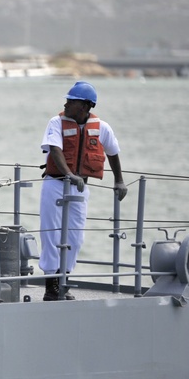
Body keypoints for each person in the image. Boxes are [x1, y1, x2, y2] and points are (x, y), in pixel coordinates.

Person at [38, 81, 127, 301]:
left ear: (86, 106)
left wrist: (120, 181)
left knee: (75, 237)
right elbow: (56, 150)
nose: (66, 104)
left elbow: (113, 153)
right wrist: (69, 173)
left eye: (72, 100)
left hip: (80, 187)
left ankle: (64, 281)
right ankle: (51, 286)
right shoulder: (56, 122)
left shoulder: (102, 127)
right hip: (55, 184)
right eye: (67, 100)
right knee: (51, 233)